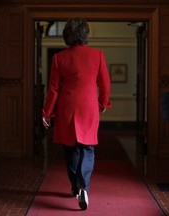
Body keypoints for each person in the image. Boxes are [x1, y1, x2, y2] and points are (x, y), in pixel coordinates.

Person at [42, 17, 111, 210]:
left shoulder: (59, 58)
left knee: (70, 148)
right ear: (85, 34)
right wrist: (103, 102)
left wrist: (47, 112)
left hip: (67, 108)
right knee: (87, 149)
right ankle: (83, 187)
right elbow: (105, 83)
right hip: (89, 107)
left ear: (67, 35)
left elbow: (53, 90)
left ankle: (75, 186)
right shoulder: (97, 55)